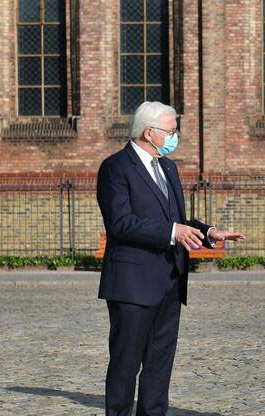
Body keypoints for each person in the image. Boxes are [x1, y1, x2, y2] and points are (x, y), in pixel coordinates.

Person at [96, 101, 245, 416]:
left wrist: (208, 232)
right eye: (171, 131)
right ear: (150, 132)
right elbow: (120, 223)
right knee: (125, 365)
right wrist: (172, 232)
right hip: (133, 285)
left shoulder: (168, 167)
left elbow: (177, 219)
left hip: (169, 281)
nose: (176, 137)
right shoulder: (116, 167)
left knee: (159, 365)